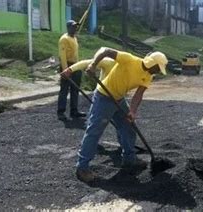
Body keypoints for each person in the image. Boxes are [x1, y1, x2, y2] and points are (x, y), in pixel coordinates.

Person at [74, 47, 168, 183]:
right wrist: (93, 65)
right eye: (158, 68)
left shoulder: (148, 76)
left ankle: (129, 159)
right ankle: (82, 167)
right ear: (152, 63)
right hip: (104, 97)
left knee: (128, 127)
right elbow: (105, 50)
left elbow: (138, 94)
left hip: (119, 99)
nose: (158, 71)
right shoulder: (129, 59)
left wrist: (132, 111)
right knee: (94, 130)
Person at [57, 20, 85, 120]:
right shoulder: (64, 39)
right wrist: (65, 70)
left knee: (75, 89)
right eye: (73, 27)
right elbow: (62, 56)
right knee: (64, 89)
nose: (75, 28)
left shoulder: (74, 38)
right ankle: (61, 111)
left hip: (76, 65)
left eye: (76, 27)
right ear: (68, 27)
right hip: (67, 65)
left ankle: (74, 110)